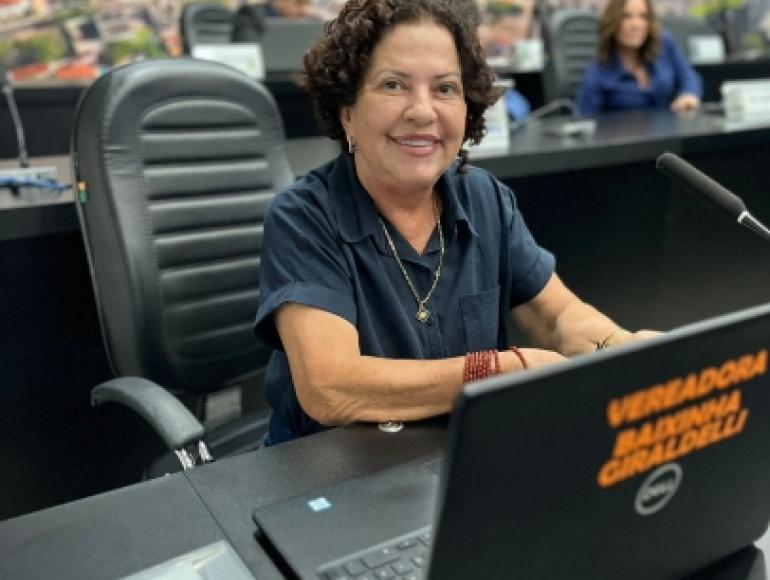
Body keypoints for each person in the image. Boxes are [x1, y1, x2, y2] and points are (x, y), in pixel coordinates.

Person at [254, 0, 656, 446]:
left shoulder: (485, 198)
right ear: (347, 111)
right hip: (332, 468)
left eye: (445, 88)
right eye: (393, 85)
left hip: (458, 452)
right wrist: (500, 369)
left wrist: (618, 345)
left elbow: (558, 316)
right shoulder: (304, 217)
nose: (423, 111)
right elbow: (331, 389)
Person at [576, 0, 702, 117]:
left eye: (643, 17)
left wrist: (689, 94)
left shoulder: (663, 43)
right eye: (626, 17)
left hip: (669, 130)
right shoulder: (598, 72)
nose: (636, 25)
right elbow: (583, 120)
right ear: (613, 23)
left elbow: (688, 76)